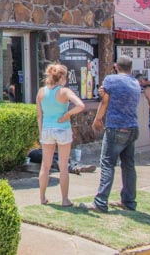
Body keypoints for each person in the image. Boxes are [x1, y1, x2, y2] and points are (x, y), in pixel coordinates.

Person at [80, 55, 142, 213]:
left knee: (107, 164)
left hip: (116, 127)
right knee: (128, 165)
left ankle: (100, 202)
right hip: (132, 127)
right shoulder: (135, 82)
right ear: (131, 68)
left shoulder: (111, 80)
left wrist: (97, 119)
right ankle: (129, 202)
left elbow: (105, 101)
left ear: (116, 67)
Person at [36, 63, 85, 206]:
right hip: (62, 128)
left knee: (45, 166)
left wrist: (41, 133)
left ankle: (42, 198)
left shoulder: (41, 92)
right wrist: (67, 115)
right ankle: (65, 199)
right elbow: (81, 105)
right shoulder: (64, 91)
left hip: (46, 129)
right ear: (62, 77)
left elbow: (39, 116)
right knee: (63, 166)